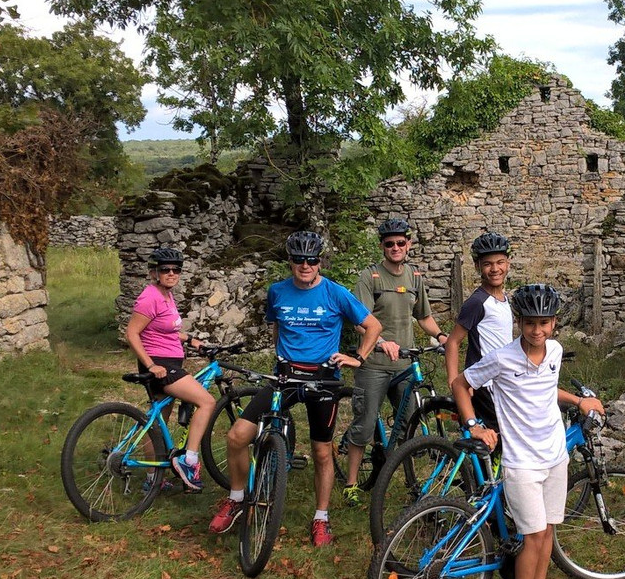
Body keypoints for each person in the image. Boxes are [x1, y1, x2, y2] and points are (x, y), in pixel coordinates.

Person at [451, 284, 604, 579]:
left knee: (548, 530)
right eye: (530, 323)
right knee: (531, 538)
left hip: (554, 455)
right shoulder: (502, 358)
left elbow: (547, 389)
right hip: (521, 461)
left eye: (545, 323)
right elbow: (461, 383)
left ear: (554, 324)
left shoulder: (555, 351)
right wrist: (475, 424)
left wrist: (580, 401)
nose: (537, 331)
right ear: (519, 322)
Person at [208, 231, 382, 546]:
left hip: (323, 378)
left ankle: (321, 518)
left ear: (319, 262)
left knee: (321, 452)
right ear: (290, 262)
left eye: (311, 260)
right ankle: (236, 498)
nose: (305, 265)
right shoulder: (277, 292)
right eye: (299, 259)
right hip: (285, 376)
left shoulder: (335, 293)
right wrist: (280, 356)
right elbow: (277, 325)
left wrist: (358, 357)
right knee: (237, 436)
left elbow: (373, 326)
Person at [340, 218, 448, 506]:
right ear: (382, 247)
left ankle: (410, 483)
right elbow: (359, 321)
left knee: (408, 427)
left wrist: (440, 335)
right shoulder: (370, 277)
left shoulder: (414, 276)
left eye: (401, 242)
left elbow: (423, 316)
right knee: (363, 426)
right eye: (390, 244)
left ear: (409, 244)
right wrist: (380, 341)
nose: (396, 247)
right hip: (374, 362)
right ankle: (350, 484)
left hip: (404, 364)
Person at [124, 248, 215, 492]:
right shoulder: (150, 297)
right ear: (154, 272)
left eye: (176, 269)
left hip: (169, 362)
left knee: (158, 421)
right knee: (206, 402)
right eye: (165, 269)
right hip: (161, 365)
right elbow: (132, 333)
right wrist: (152, 365)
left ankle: (152, 480)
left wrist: (189, 339)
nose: (171, 273)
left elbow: (165, 329)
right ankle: (189, 461)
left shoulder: (166, 295)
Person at [444, 231, 514, 433]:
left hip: (502, 381)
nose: (495, 269)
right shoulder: (477, 302)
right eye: (487, 264)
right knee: (496, 439)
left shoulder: (503, 298)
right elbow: (453, 342)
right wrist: (455, 383)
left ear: (507, 264)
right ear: (477, 267)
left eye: (500, 262)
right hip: (484, 384)